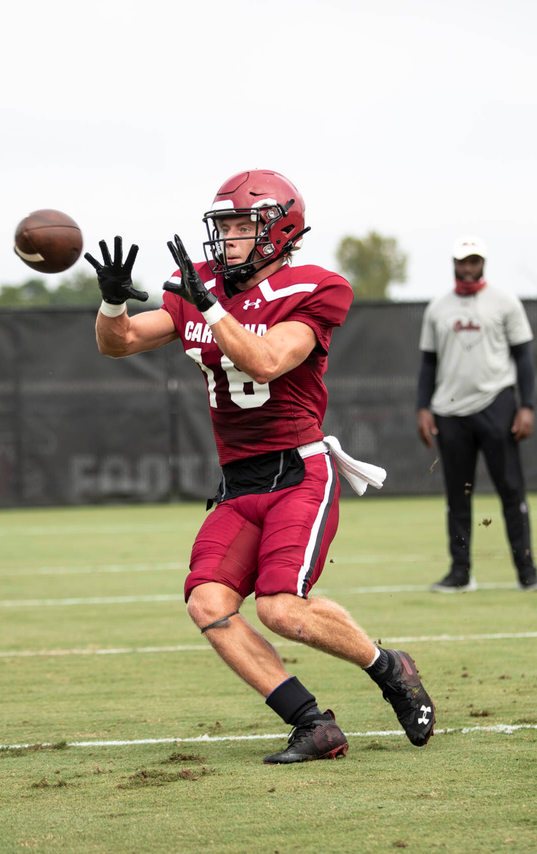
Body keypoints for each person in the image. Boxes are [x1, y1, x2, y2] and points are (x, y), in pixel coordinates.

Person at [87, 169, 435, 764]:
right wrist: (113, 300)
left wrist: (212, 308)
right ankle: (311, 723)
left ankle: (389, 667)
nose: (227, 239)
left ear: (280, 230)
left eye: (242, 226)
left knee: (279, 608)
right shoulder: (197, 288)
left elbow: (269, 359)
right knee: (207, 602)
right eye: (222, 226)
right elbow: (117, 342)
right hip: (238, 482)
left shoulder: (314, 289)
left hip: (298, 472)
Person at [415, 236, 537, 593]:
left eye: (474, 261)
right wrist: (422, 407)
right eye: (463, 261)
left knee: (511, 491)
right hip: (449, 411)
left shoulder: (505, 302)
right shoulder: (437, 308)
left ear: (483, 263)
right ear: (454, 263)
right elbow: (428, 363)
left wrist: (527, 406)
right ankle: (460, 574)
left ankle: (527, 572)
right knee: (458, 495)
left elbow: (524, 357)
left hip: (497, 405)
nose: (468, 267)